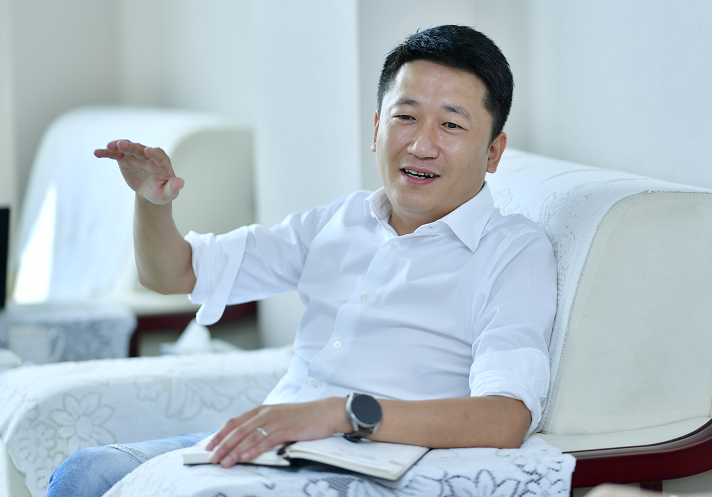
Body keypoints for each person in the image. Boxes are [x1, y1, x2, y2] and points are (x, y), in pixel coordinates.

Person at [47, 24, 557, 496]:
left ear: (493, 152)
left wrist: (341, 414)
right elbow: (173, 273)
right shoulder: (338, 221)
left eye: (451, 125)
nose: (421, 145)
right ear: (376, 129)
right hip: (274, 446)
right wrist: (152, 204)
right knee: (84, 473)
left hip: (372, 465)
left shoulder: (512, 251)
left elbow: (504, 418)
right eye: (405, 117)